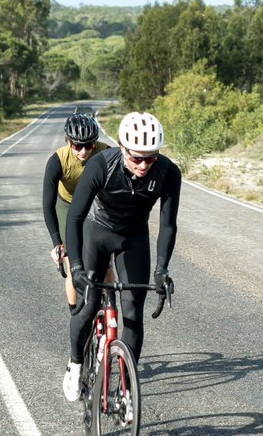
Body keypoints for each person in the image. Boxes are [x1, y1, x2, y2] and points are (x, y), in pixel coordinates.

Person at [62, 111, 182, 401]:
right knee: (90, 305)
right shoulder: (101, 165)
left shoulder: (168, 172)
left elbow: (167, 224)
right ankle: (76, 364)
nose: (143, 165)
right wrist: (76, 266)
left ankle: (126, 390)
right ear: (121, 147)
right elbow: (75, 218)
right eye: (136, 158)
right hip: (97, 230)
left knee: (132, 314)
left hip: (133, 237)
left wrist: (162, 269)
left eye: (150, 158)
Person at [42, 110, 102, 310]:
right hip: (67, 205)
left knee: (106, 259)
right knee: (71, 261)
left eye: (88, 145)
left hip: (95, 206)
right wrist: (57, 242)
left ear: (95, 142)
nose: (83, 151)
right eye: (77, 146)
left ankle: (110, 307)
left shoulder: (105, 153)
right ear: (68, 142)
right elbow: (48, 204)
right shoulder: (57, 160)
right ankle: (76, 314)